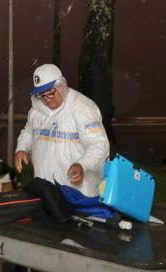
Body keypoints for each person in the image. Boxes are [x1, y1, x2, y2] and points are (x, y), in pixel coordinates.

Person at [14, 64, 110, 197]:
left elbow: (99, 145)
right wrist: (22, 148)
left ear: (61, 86)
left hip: (78, 193)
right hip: (45, 192)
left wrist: (83, 165)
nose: (46, 99)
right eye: (42, 95)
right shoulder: (36, 110)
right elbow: (29, 132)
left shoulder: (83, 108)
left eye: (50, 93)